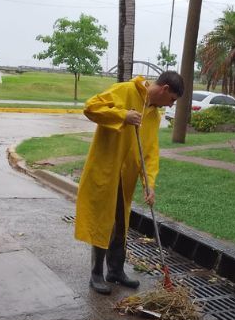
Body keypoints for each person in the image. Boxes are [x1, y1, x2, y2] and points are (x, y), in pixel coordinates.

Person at [75, 71, 183, 294]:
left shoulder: (153, 115)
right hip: (106, 170)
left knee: (121, 223)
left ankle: (115, 271)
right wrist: (123, 115)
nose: (171, 105)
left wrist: (149, 184)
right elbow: (91, 107)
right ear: (164, 89)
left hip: (127, 176)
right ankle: (96, 274)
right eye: (172, 99)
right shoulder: (125, 91)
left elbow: (150, 153)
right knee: (104, 223)